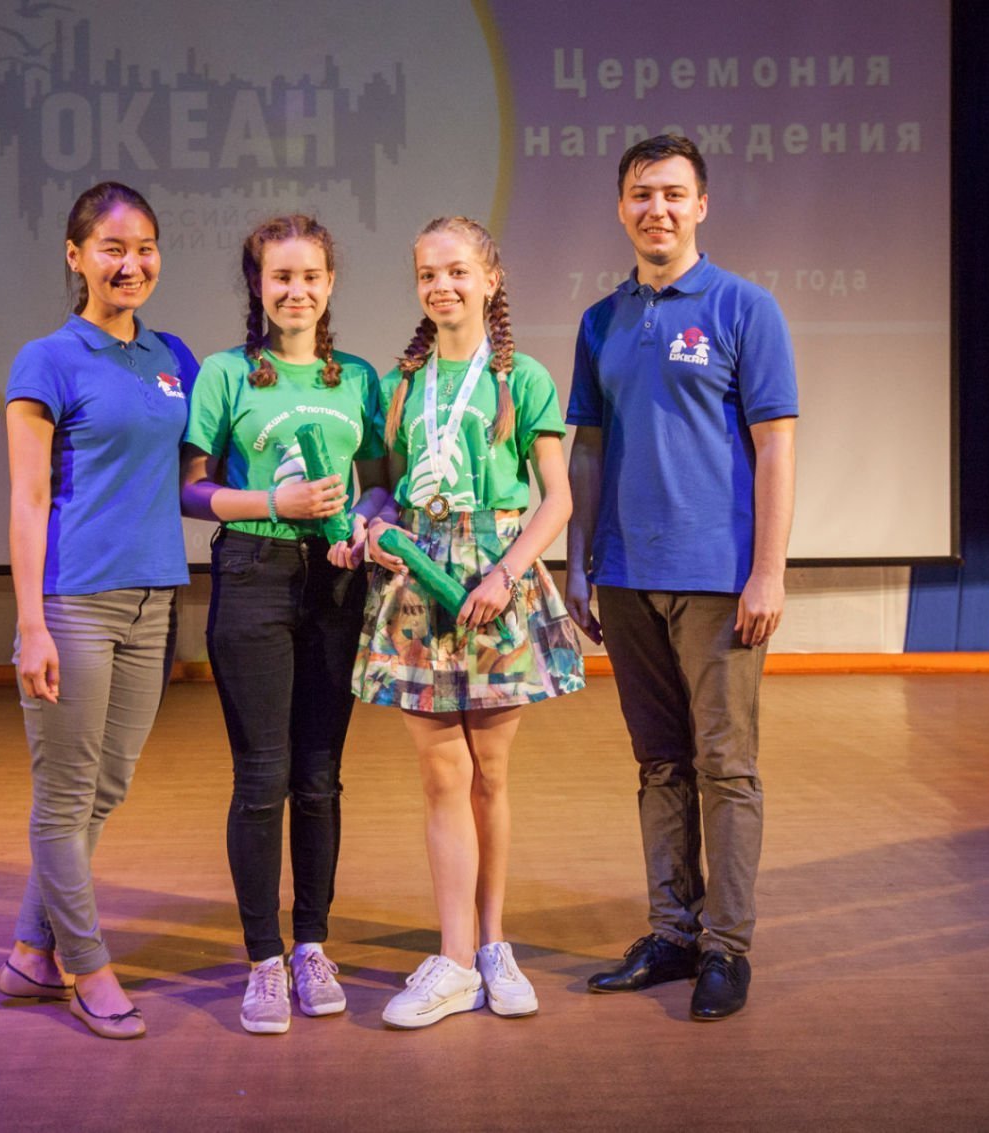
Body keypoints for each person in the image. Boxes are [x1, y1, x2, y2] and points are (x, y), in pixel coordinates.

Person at [564, 134, 798, 1022]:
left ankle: (726, 946)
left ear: (701, 205)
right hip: (626, 576)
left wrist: (767, 570)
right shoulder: (601, 320)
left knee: (725, 766)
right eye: (640, 193)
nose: (655, 208)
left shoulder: (746, 308)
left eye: (672, 193)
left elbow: (776, 448)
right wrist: (579, 561)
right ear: (620, 207)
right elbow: (587, 449)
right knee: (659, 762)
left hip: (719, 580)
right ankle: (671, 932)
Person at [354, 216, 584, 1029]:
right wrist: (371, 525)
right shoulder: (399, 383)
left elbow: (557, 498)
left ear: (491, 278)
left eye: (456, 271)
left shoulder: (524, 379)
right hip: (419, 579)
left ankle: (493, 946)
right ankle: (453, 961)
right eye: (427, 274)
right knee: (441, 776)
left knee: (491, 772)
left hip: (497, 576)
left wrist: (505, 573)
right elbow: (378, 485)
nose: (441, 286)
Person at [0, 182, 199, 1041]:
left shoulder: (172, 355)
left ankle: (28, 953)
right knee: (65, 794)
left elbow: (197, 473)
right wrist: (31, 623)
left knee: (105, 785)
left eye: (145, 247)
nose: (132, 263)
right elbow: (27, 496)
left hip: (155, 598)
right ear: (75, 256)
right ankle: (87, 967)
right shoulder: (47, 358)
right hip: (74, 601)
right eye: (113, 248)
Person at [181, 214, 388, 1035]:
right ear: (258, 286)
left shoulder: (359, 378)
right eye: (280, 277)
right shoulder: (227, 373)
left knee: (320, 776)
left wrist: (366, 521)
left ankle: (311, 945)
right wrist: (276, 500)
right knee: (261, 777)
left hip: (336, 583)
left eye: (309, 277)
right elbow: (192, 489)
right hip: (252, 574)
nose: (295, 291)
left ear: (329, 285)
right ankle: (263, 959)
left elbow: (382, 482)